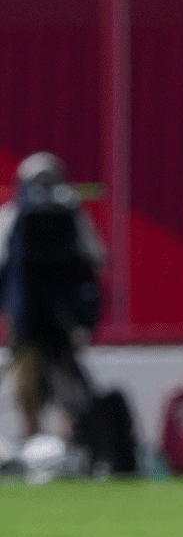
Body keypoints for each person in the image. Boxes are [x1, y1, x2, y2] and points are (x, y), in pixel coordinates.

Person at [0, 152, 103, 440]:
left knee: (29, 384)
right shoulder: (73, 215)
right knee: (63, 384)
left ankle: (34, 443)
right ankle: (64, 447)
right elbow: (97, 257)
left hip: (25, 315)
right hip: (63, 314)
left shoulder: (10, 217)